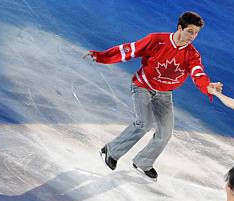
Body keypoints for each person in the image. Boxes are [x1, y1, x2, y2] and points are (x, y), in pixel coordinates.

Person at [84, 11, 222, 181]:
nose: (193, 36)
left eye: (196, 33)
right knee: (144, 123)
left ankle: (143, 162)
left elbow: (197, 73)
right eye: (190, 31)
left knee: (166, 132)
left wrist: (208, 86)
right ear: (180, 28)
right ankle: (110, 151)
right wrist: (100, 56)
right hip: (142, 86)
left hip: (164, 94)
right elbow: (129, 50)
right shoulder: (156, 40)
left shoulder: (192, 54)